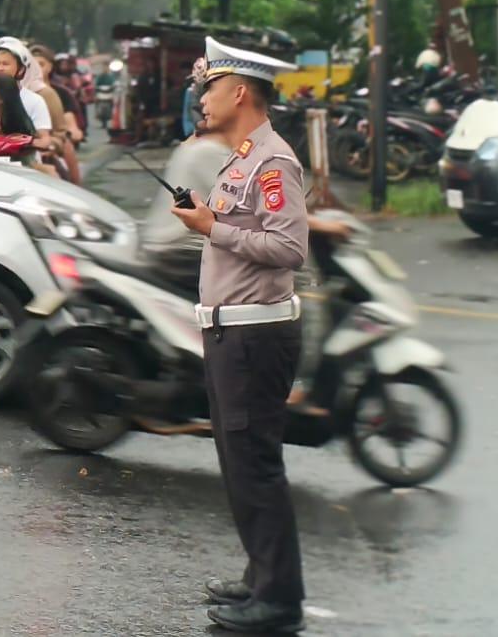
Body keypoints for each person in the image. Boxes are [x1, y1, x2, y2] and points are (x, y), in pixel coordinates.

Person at [169, 36, 308, 635]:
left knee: (256, 465)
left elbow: (289, 248)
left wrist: (212, 228)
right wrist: (210, 215)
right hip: (232, 333)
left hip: (256, 337)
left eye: (211, 88)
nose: (202, 99)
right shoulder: (243, 156)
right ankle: (261, 575)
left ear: (241, 92)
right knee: (238, 463)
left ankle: (279, 601)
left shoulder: (273, 162)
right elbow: (246, 225)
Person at [31, 45, 84, 185]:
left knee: (67, 146)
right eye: (31, 65)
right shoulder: (19, 90)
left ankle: (76, 188)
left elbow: (68, 123)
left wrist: (72, 132)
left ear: (50, 67)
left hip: (53, 143)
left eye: (41, 64)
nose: (36, 70)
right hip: (27, 145)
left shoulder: (61, 93)